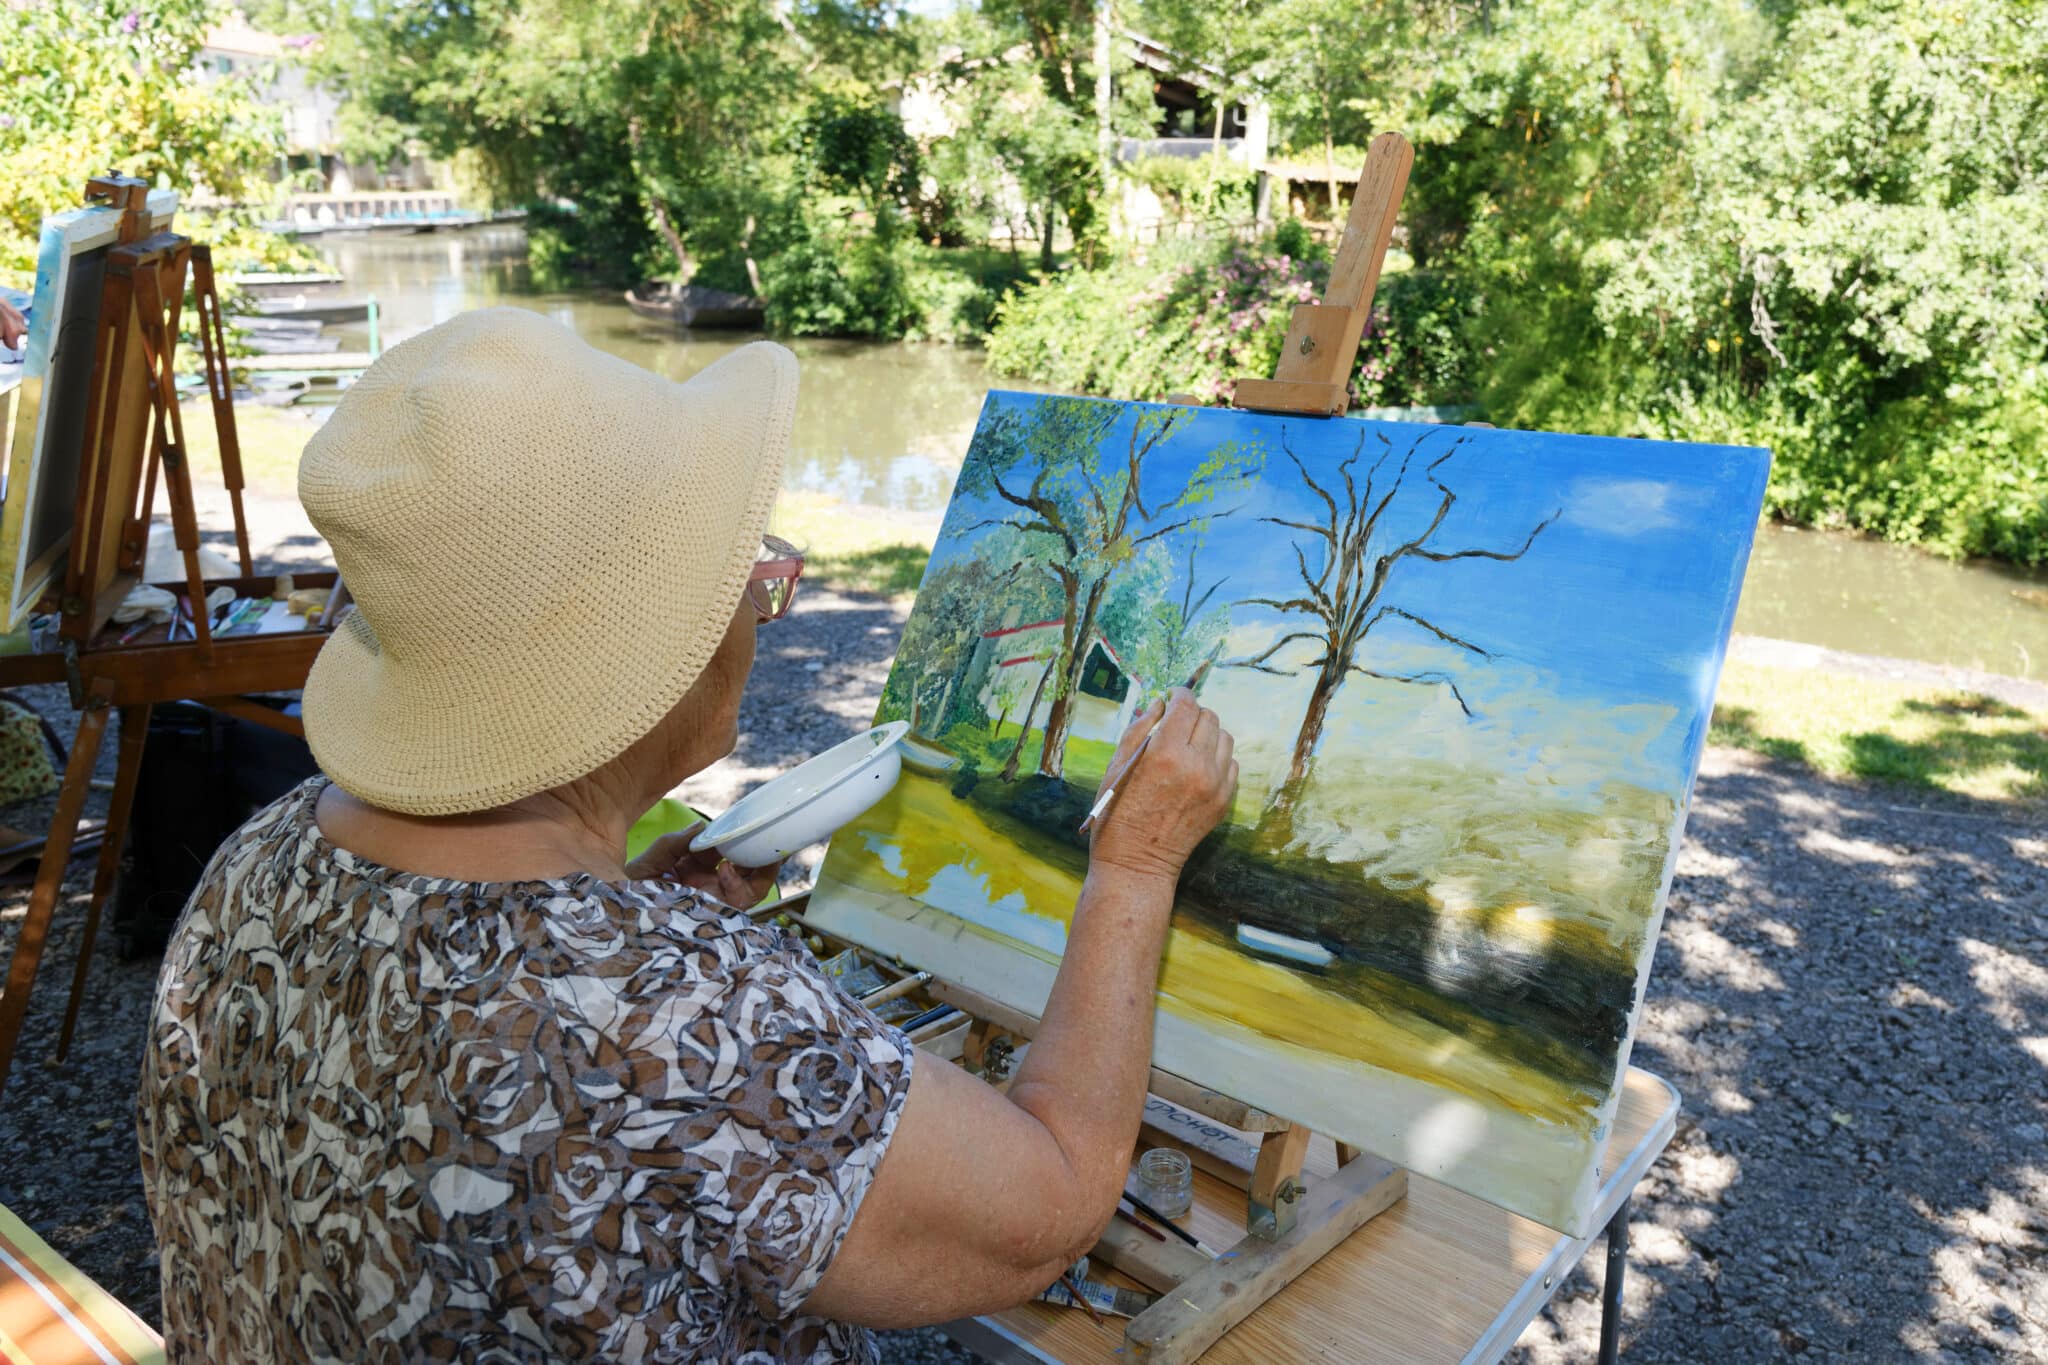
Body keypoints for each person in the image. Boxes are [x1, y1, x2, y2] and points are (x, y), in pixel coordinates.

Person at [137, 307, 1237, 1363]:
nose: (761, 604)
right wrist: (1136, 866)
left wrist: (630, 907)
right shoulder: (682, 1016)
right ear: (646, 651)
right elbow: (1047, 1210)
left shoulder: (265, 854)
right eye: (746, 572)